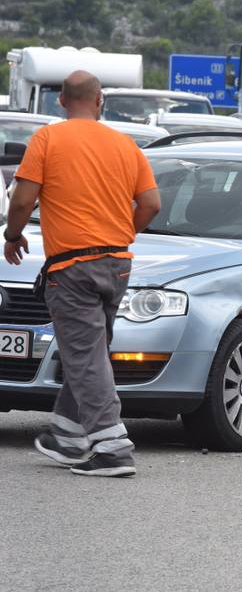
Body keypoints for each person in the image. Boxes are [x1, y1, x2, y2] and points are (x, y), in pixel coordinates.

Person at [3, 70, 161, 477]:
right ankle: (69, 434)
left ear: (61, 101)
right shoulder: (125, 145)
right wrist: (121, 234)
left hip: (72, 266)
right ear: (99, 99)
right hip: (117, 263)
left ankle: (112, 447)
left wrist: (12, 235)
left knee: (86, 355)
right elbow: (151, 204)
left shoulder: (48, 139)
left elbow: (21, 200)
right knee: (89, 350)